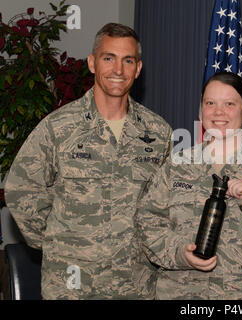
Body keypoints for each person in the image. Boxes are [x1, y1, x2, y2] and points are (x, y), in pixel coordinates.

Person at [4, 23, 172, 299]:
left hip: (135, 286)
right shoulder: (58, 127)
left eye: (127, 60)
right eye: (109, 58)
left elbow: (165, 205)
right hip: (71, 286)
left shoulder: (158, 133)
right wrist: (60, 242)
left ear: (138, 69)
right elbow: (22, 189)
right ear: (92, 63)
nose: (118, 70)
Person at [134, 72, 242, 299]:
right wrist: (181, 254)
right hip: (183, 295)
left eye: (229, 104)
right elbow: (148, 223)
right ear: (200, 109)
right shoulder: (176, 165)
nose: (218, 112)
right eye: (210, 103)